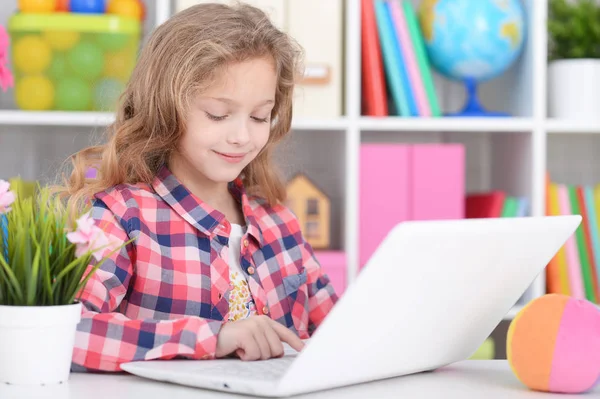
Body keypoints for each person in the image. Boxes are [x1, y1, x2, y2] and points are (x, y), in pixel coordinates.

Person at [57, 2, 338, 373]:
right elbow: (67, 333)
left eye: (259, 116)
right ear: (166, 108)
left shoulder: (279, 223)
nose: (241, 136)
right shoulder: (122, 217)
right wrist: (213, 338)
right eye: (218, 115)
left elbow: (339, 332)